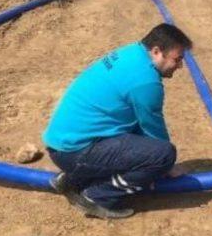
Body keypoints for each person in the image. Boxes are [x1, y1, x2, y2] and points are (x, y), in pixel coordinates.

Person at [43, 23, 192, 219]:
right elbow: (153, 130)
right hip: (74, 152)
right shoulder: (146, 81)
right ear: (157, 51)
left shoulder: (131, 52)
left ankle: (73, 179)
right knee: (163, 155)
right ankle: (97, 196)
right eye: (177, 59)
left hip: (62, 143)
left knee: (136, 136)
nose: (180, 65)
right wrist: (166, 166)